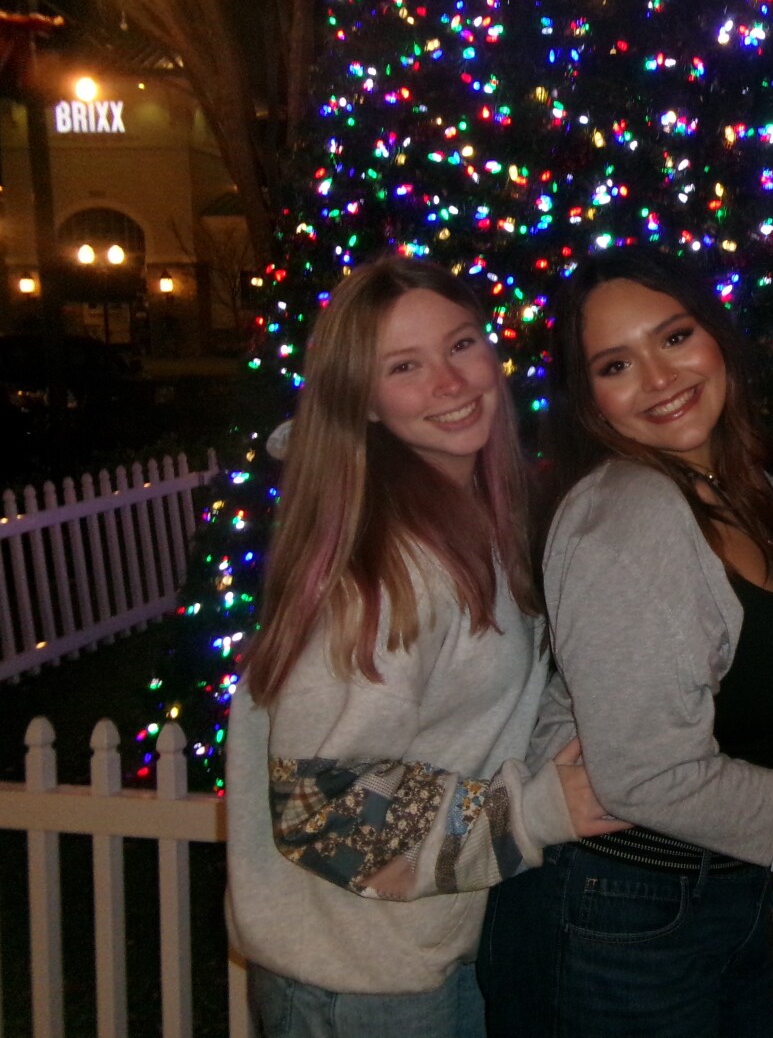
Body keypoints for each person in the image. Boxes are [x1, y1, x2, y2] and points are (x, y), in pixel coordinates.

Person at [476, 246, 773, 1038]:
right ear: (590, 400)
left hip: (716, 890)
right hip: (612, 905)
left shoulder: (751, 491)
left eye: (674, 337)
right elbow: (647, 776)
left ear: (715, 336)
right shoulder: (627, 518)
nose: (660, 378)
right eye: (616, 365)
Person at [226, 257, 619, 1038]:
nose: (450, 381)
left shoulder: (479, 514)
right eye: (403, 367)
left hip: (423, 948)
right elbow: (322, 811)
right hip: (358, 983)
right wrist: (539, 809)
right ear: (362, 400)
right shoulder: (380, 575)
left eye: (461, 344)